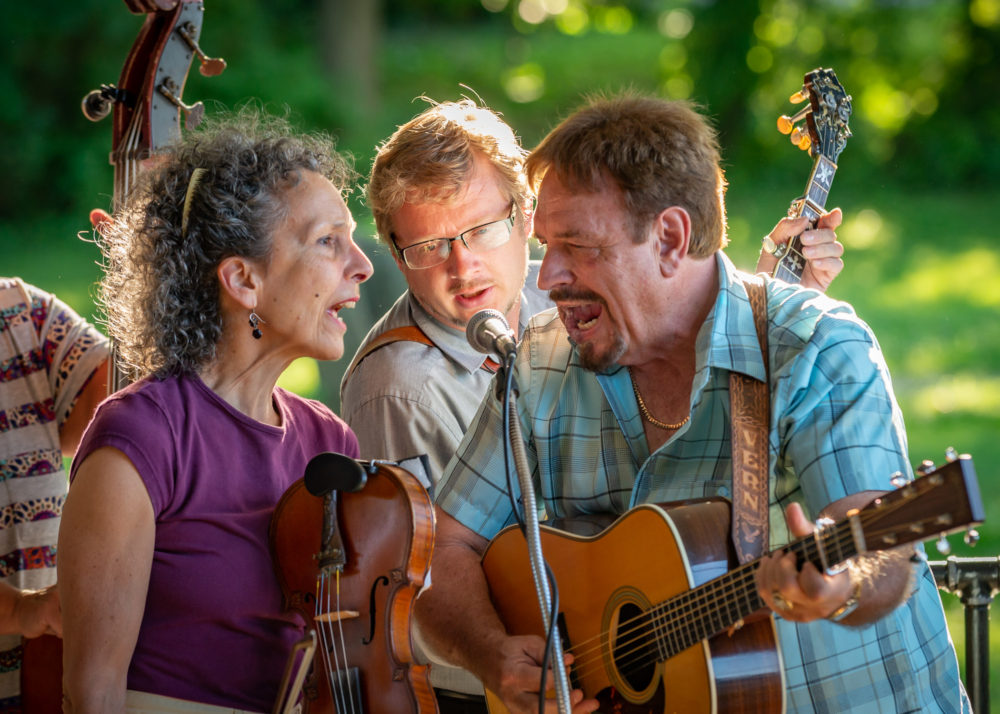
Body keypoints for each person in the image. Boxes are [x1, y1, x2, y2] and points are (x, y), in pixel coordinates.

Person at [415, 93, 969, 714]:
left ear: (670, 238)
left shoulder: (815, 347)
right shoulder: (538, 363)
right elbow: (439, 551)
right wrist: (492, 654)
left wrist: (841, 584)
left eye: (577, 245)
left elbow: (881, 547)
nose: (547, 279)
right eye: (547, 244)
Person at [339, 98, 844, 711]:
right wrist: (512, 660)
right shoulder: (406, 385)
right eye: (429, 246)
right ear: (397, 255)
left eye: (482, 231)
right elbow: (464, 566)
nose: (464, 265)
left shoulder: (555, 295)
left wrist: (768, 290)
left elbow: (677, 307)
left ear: (523, 218)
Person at [57, 109, 373, 713]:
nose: (362, 264)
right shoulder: (142, 437)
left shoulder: (329, 444)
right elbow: (92, 694)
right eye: (329, 241)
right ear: (242, 280)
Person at [0, 278, 108, 711]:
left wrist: (148, 281)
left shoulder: (22, 312)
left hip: (36, 681)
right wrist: (18, 611)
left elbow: (114, 404)